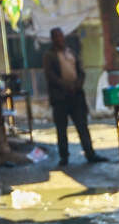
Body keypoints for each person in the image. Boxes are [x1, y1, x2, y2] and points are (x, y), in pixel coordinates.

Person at [43, 27, 105, 165]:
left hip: (76, 96)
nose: (60, 39)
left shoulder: (70, 52)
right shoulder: (49, 55)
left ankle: (90, 153)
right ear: (52, 39)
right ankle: (64, 156)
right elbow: (50, 75)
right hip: (60, 97)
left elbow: (80, 72)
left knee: (82, 126)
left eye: (61, 36)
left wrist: (76, 86)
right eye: (57, 37)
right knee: (61, 128)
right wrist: (66, 86)